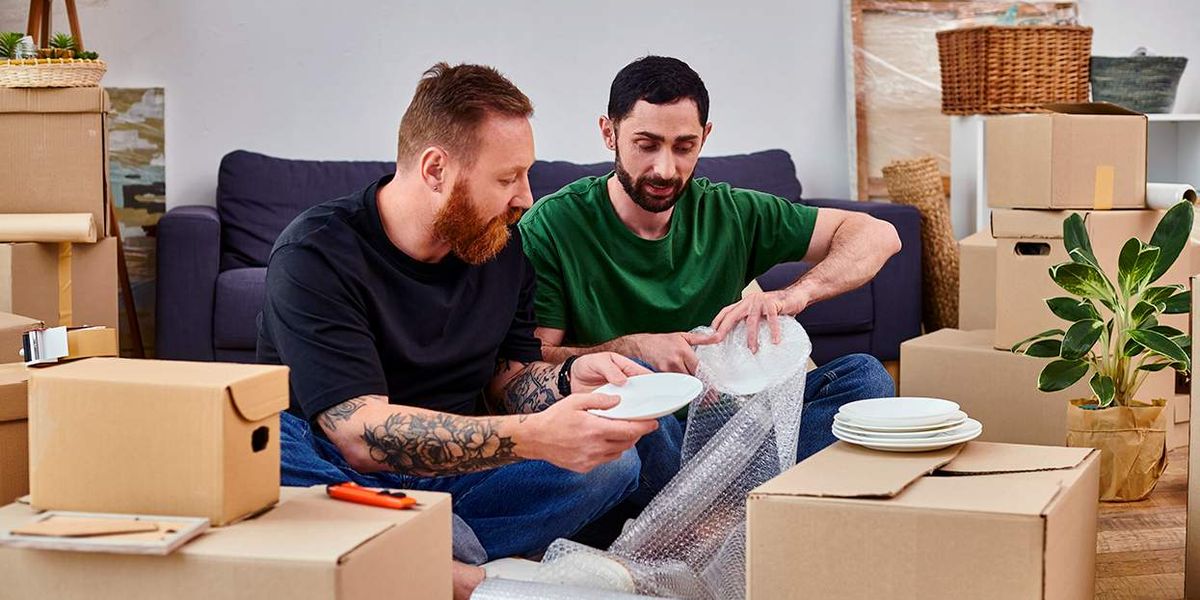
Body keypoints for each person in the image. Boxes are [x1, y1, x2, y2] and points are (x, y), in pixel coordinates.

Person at [256, 62, 663, 599]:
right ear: (435, 170)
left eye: (525, 175)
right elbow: (356, 434)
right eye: (506, 178)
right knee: (258, 450)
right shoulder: (316, 253)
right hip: (336, 466)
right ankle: (458, 569)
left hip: (459, 473)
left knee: (613, 464)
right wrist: (532, 437)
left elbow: (509, 379)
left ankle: (398, 551)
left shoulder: (501, 247)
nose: (526, 198)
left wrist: (567, 380)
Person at [519, 55, 901, 459]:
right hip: (638, 433)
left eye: (684, 147)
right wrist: (633, 349)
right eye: (646, 145)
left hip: (729, 422)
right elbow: (527, 367)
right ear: (608, 133)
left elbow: (878, 235)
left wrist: (793, 296)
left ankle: (723, 488)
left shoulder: (729, 212)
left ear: (705, 136)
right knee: (639, 408)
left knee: (864, 377)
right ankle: (744, 487)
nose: (665, 169)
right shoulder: (554, 225)